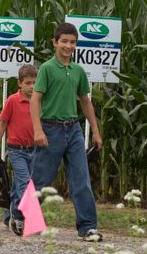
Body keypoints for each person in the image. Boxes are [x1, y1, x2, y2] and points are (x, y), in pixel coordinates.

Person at [36, 23, 104, 242]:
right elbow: (35, 99)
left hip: (73, 130)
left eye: (72, 42)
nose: (68, 46)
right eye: (64, 41)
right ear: (55, 42)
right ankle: (19, 215)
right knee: (40, 180)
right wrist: (38, 129)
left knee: (81, 180)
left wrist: (95, 131)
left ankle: (87, 227)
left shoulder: (78, 71)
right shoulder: (47, 68)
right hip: (50, 128)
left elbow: (85, 101)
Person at [0, 61, 46, 235]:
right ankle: (23, 217)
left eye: (35, 83)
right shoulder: (13, 101)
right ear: (19, 83)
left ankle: (9, 216)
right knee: (24, 183)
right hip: (16, 150)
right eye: (28, 83)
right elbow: (2, 125)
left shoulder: (40, 101)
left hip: (34, 149)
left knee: (18, 185)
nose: (31, 86)